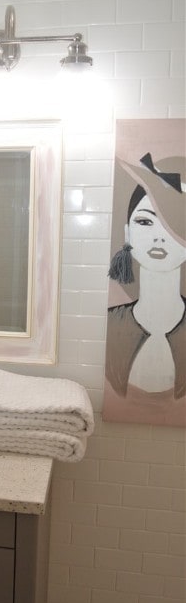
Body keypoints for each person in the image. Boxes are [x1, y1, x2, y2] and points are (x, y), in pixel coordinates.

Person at [104, 153, 186, 426]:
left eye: (174, 225)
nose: (160, 236)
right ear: (127, 232)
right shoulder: (111, 323)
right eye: (146, 221)